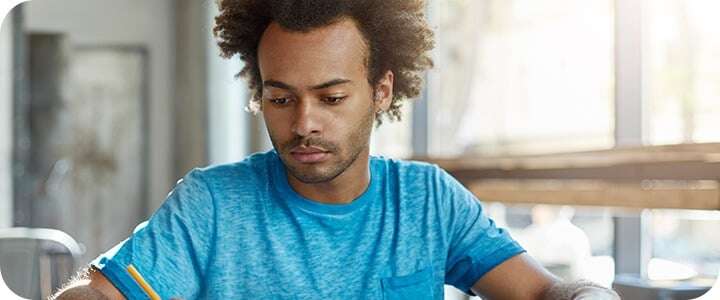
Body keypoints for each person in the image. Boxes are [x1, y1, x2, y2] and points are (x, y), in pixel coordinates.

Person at [54, 0, 620, 299]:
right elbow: (101, 295)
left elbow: (544, 292)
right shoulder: (212, 204)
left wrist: (590, 296)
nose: (304, 124)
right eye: (281, 99)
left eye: (330, 97)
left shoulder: (429, 202)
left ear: (381, 91)